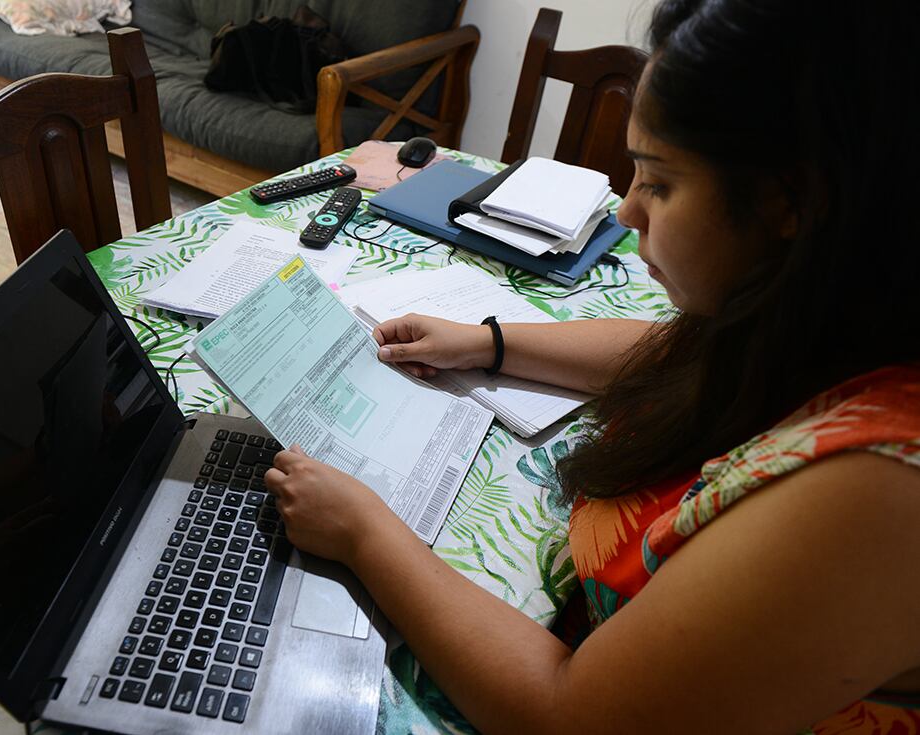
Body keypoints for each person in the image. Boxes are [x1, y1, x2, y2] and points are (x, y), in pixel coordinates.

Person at [264, 0, 920, 732]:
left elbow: (569, 713)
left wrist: (366, 532)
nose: (630, 211)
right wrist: (486, 341)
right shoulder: (825, 312)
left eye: (660, 182)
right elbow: (671, 353)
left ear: (792, 201)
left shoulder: (880, 492)